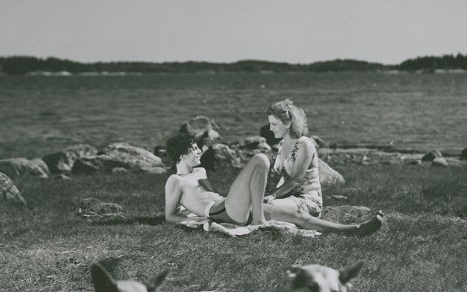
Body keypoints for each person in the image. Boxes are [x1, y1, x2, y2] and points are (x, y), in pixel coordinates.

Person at [164, 130, 382, 236]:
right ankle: (258, 219)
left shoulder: (200, 171)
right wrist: (197, 219)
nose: (200, 151)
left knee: (297, 216)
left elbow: (207, 195)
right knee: (259, 159)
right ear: (182, 156)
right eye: (194, 149)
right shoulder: (175, 180)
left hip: (230, 206)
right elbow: (169, 215)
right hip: (221, 211)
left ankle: (352, 230)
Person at [262, 99, 383, 235]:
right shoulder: (283, 145)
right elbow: (283, 178)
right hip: (288, 198)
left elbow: (296, 179)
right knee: (259, 206)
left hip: (307, 200)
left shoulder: (304, 144)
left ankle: (351, 230)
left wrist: (273, 196)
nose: (270, 128)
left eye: (274, 124)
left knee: (266, 207)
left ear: (288, 123)